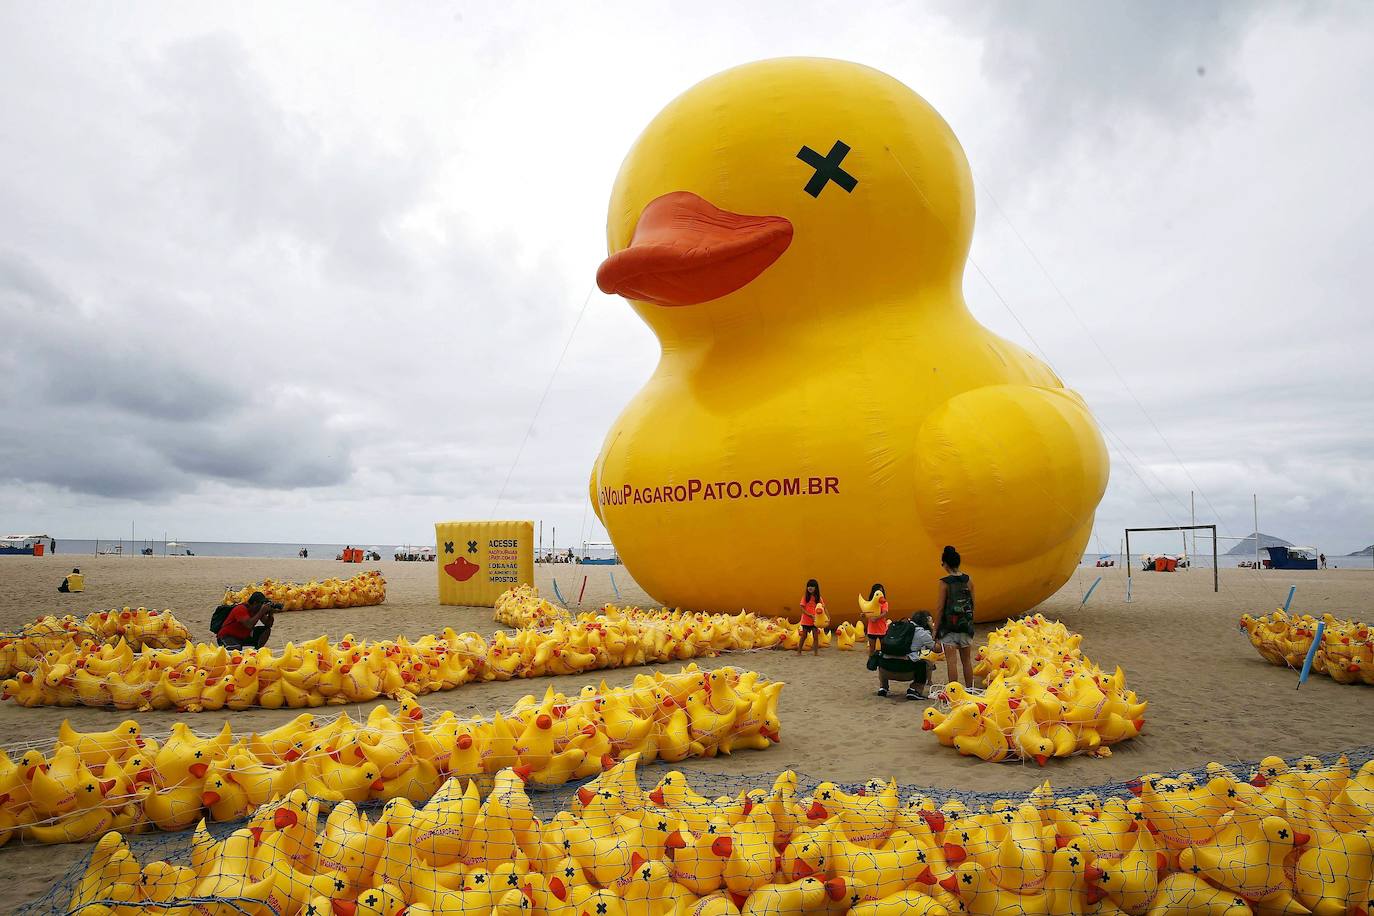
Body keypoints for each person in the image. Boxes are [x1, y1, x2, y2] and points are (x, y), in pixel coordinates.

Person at [933, 545, 975, 688]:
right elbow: (973, 604)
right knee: (967, 661)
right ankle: (970, 690)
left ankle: (954, 692)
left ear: (946, 564)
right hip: (965, 625)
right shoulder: (968, 580)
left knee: (951, 662)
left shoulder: (944, 583)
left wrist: (935, 629)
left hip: (949, 627)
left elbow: (940, 608)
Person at [876, 611, 936, 699]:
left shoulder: (896, 627)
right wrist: (933, 630)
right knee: (927, 663)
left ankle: (883, 687)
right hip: (906, 672)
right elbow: (938, 649)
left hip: (885, 670)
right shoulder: (922, 633)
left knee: (884, 656)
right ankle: (915, 690)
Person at [797, 578, 824, 656]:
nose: (810, 588)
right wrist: (809, 615)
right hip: (806, 620)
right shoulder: (805, 597)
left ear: (816, 588)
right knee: (804, 636)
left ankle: (816, 653)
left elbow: (823, 608)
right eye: (809, 586)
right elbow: (802, 608)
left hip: (815, 621)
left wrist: (827, 617)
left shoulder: (818, 598)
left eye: (812, 586)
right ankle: (799, 651)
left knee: (815, 636)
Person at [862, 583, 890, 653]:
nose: (881, 593)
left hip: (881, 629)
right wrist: (864, 615)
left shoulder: (884, 603)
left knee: (884, 649)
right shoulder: (869, 603)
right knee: (872, 649)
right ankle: (871, 663)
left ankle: (882, 663)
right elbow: (867, 614)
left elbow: (885, 613)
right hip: (871, 629)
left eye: (882, 591)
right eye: (879, 591)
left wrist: (876, 618)